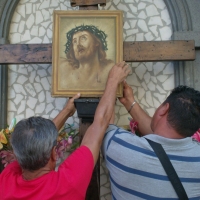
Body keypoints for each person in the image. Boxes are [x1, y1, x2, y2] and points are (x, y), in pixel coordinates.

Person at [0, 61, 130, 200]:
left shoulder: (5, 181)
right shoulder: (67, 183)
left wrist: (67, 111)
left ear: (17, 155)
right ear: (53, 154)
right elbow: (101, 122)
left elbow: (34, 141)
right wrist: (113, 80)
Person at [102, 81, 200, 199]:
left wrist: (112, 82)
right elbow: (162, 137)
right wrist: (130, 103)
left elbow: (102, 123)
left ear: (164, 108)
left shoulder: (121, 147)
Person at [59, 24, 115, 90]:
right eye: (74, 41)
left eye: (83, 38)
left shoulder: (111, 69)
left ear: (96, 43)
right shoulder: (64, 68)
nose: (78, 44)